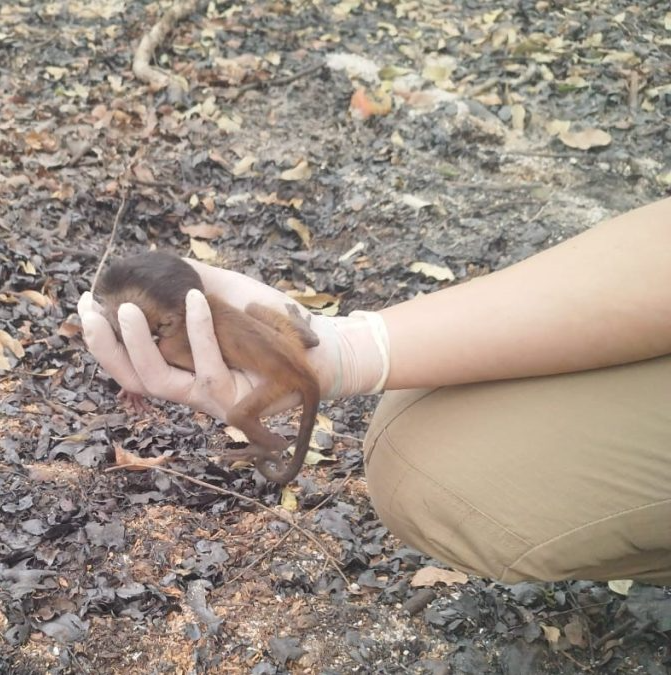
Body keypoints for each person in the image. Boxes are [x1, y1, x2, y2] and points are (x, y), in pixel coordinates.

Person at [78, 196, 671, 585]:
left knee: (250, 413)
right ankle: (310, 357)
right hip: (295, 346)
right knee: (404, 423)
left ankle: (267, 445)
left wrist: (261, 431)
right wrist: (350, 349)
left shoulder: (187, 331)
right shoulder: (208, 312)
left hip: (285, 377)